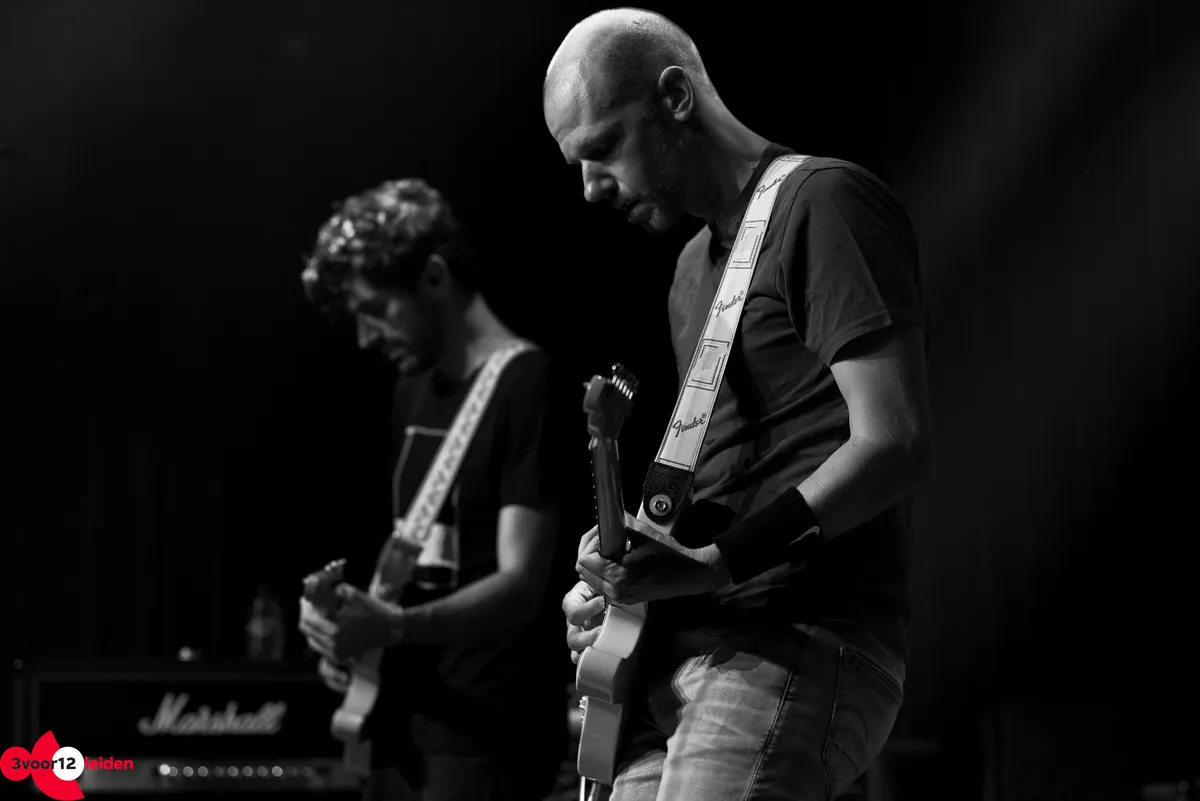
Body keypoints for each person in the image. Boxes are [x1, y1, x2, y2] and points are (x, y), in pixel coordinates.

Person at [543, 8, 934, 800]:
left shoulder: (825, 200)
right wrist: (623, 567)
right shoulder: (691, 267)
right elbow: (726, 472)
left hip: (793, 637)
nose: (589, 188)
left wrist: (719, 561)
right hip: (678, 654)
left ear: (675, 97)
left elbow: (895, 440)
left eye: (602, 148)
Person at [296, 178, 570, 801]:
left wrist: (392, 626)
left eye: (376, 310)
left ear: (435, 278)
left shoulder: (527, 383)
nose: (366, 337)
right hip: (403, 717)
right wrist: (351, 630)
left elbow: (521, 584)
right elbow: (417, 544)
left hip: (486, 731)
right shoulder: (412, 387)